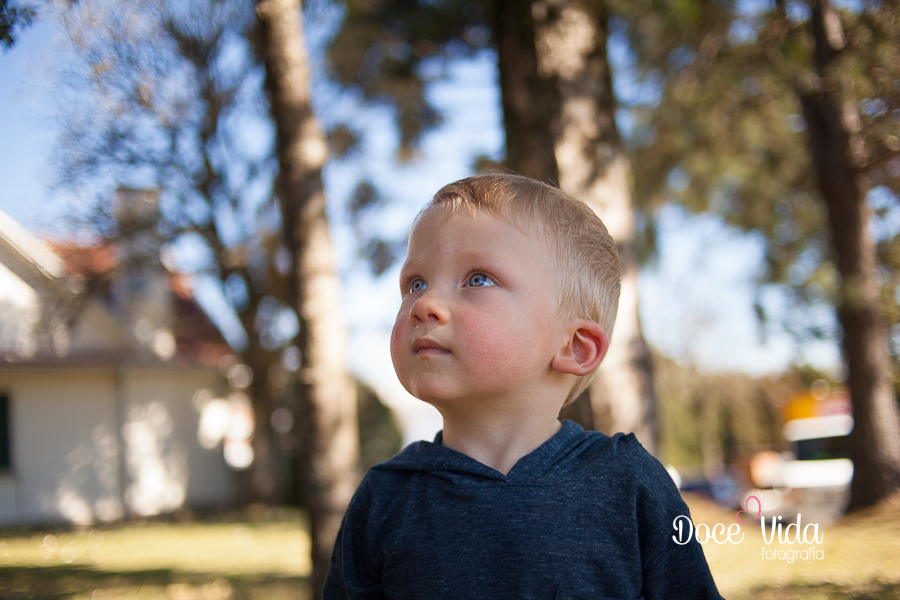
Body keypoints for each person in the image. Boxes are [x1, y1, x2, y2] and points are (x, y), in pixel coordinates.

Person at [323, 173, 724, 599]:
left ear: (574, 346)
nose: (424, 305)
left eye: (477, 279)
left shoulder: (628, 484)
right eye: (415, 283)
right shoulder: (385, 498)